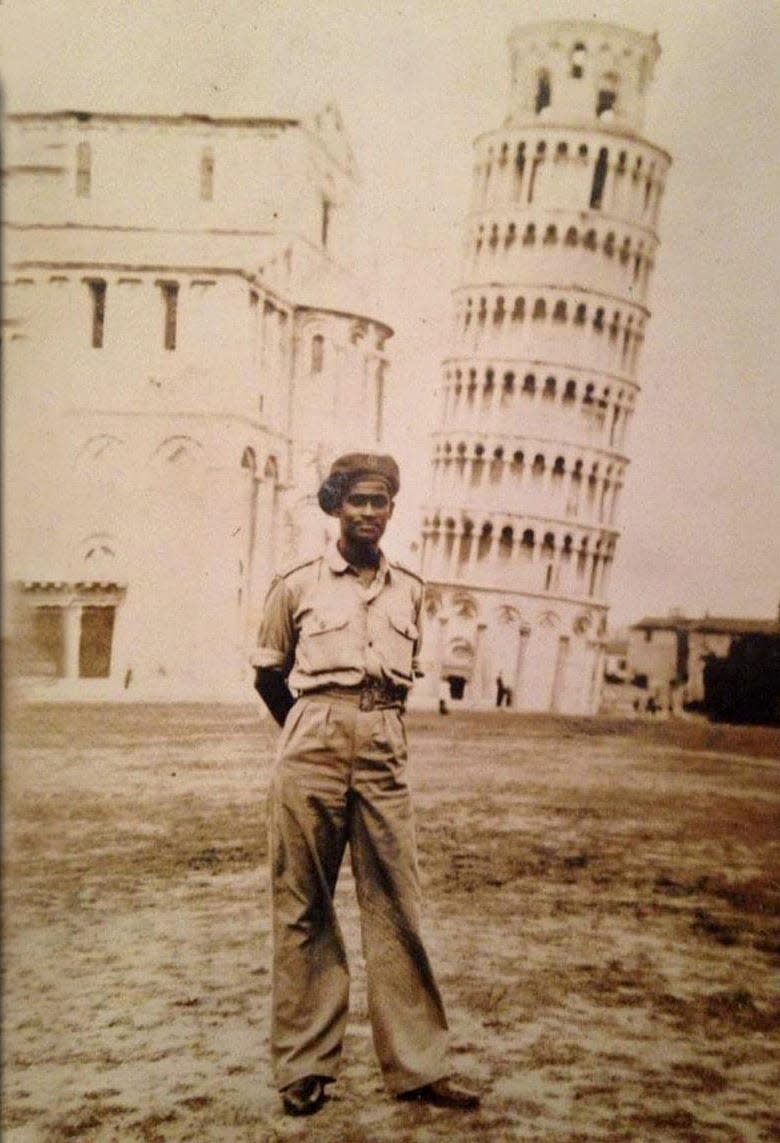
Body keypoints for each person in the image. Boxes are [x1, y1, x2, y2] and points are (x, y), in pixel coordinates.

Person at [253, 452, 480, 1118]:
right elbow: (268, 674)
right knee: (304, 903)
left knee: (397, 904)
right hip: (313, 739)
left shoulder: (409, 586)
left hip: (383, 740)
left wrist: (365, 728)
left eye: (380, 501)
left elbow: (404, 673)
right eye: (357, 501)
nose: (369, 513)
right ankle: (304, 1066)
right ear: (335, 505)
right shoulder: (296, 583)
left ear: (391, 508)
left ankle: (419, 1065)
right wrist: (306, 728)